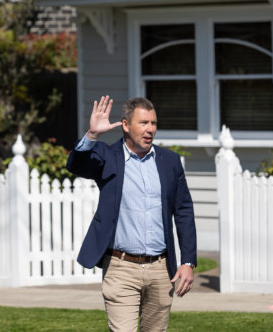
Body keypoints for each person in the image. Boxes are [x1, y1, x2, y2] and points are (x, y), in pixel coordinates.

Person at [66, 95, 197, 332]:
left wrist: (188, 261)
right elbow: (76, 165)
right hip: (121, 267)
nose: (150, 130)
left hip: (161, 270)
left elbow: (184, 211)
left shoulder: (170, 161)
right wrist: (92, 135)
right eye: (143, 123)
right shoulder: (106, 157)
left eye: (153, 123)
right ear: (126, 125)